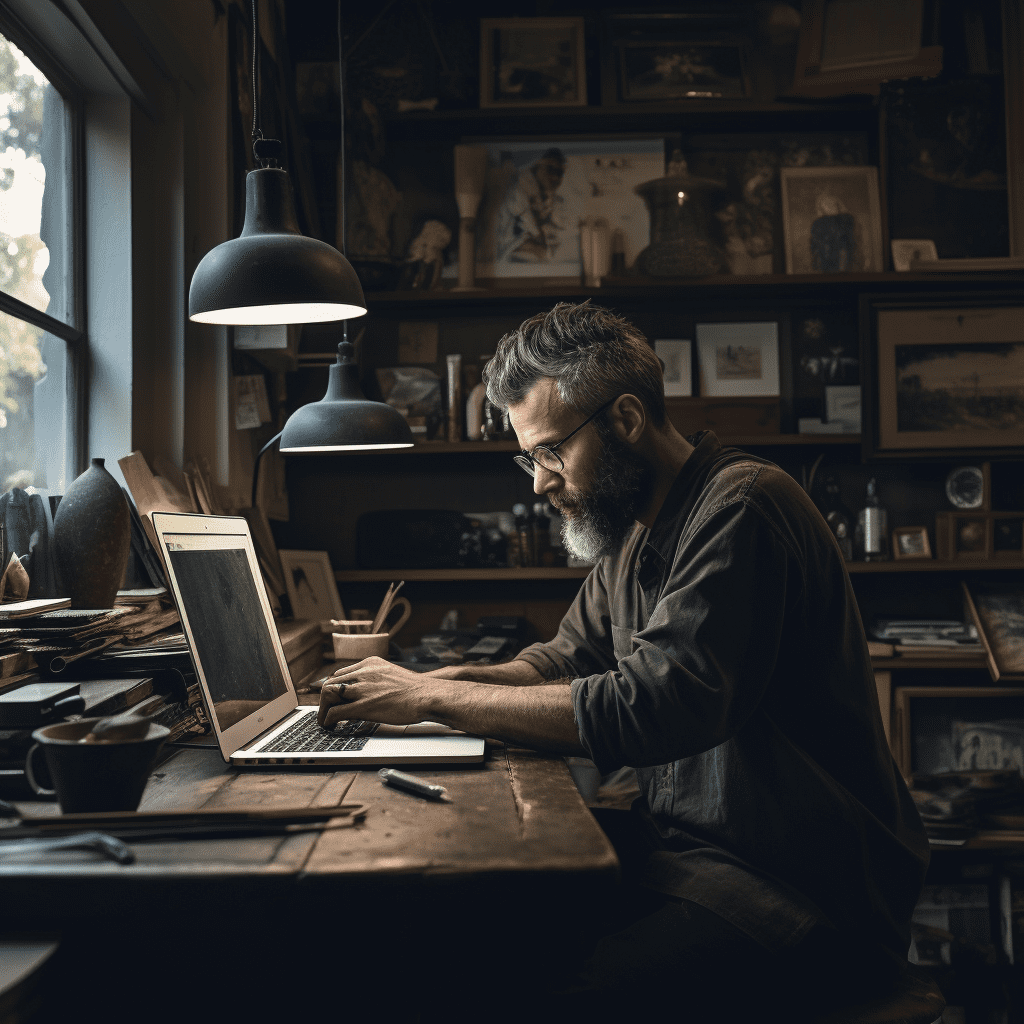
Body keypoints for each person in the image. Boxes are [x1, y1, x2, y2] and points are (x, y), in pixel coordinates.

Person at [318, 301, 929, 1018]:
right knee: (448, 914)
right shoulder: (637, 532)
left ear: (627, 420)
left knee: (538, 994)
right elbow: (564, 660)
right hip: (690, 856)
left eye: (550, 452)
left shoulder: (743, 508)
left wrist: (432, 701)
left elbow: (654, 704)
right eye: (530, 458)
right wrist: (436, 683)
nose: (539, 482)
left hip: (792, 892)